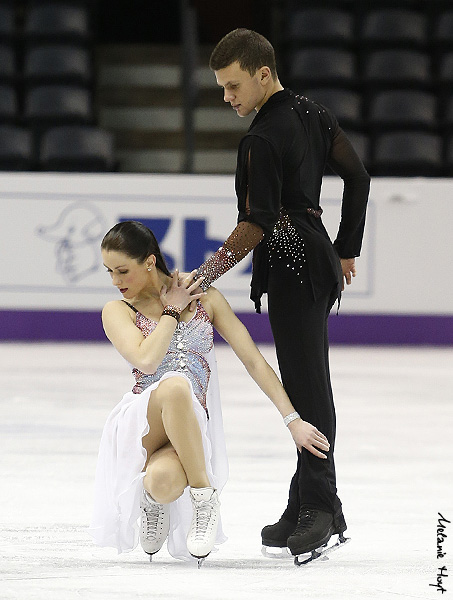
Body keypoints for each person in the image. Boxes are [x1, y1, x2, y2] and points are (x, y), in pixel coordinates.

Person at [192, 29, 371, 558]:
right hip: (315, 258)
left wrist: (205, 274)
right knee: (307, 382)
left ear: (263, 74)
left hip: (293, 268)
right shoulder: (315, 114)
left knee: (307, 390)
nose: (228, 98)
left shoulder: (261, 138)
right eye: (223, 88)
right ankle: (305, 501)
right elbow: (357, 178)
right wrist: (344, 248)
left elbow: (257, 223)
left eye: (233, 86)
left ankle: (322, 506)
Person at [89, 220, 330, 565]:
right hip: (143, 422)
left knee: (163, 483)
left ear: (150, 262)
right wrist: (172, 310)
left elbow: (253, 360)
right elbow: (146, 360)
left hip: (190, 423)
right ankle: (205, 497)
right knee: (173, 386)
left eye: (122, 270)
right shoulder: (117, 310)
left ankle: (153, 500)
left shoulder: (207, 298)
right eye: (109, 272)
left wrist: (291, 419)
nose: (115, 281)